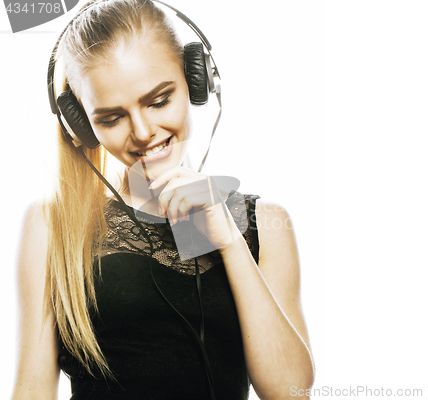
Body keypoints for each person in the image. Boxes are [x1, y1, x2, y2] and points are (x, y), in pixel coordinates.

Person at [11, 0, 315, 399]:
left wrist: (229, 241)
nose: (143, 131)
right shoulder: (53, 226)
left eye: (158, 100)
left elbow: (290, 392)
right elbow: (32, 390)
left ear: (196, 80)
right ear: (81, 125)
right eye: (111, 118)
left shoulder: (267, 223)